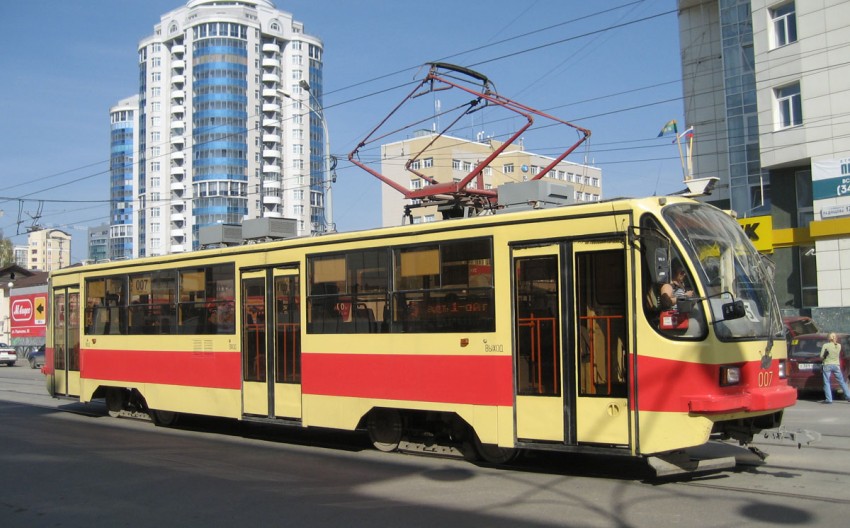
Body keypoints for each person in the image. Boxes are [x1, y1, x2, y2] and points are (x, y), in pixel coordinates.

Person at [820, 332, 850, 403]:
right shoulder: (839, 346)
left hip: (827, 364)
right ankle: (848, 396)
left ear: (828, 338)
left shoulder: (826, 345)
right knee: (842, 381)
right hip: (836, 365)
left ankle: (829, 399)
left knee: (827, 382)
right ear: (836, 338)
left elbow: (821, 356)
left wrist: (825, 355)